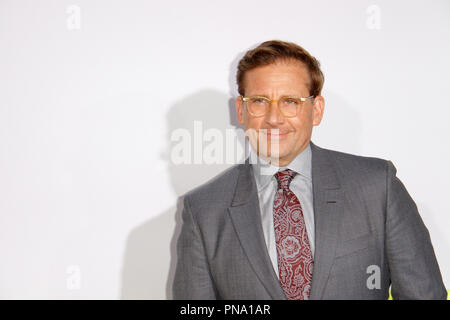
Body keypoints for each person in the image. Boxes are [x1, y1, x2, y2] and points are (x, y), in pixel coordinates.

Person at [172, 40, 447, 299]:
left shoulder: (377, 187)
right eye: (259, 101)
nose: (274, 118)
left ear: (316, 110)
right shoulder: (203, 211)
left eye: (291, 101)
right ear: (241, 111)